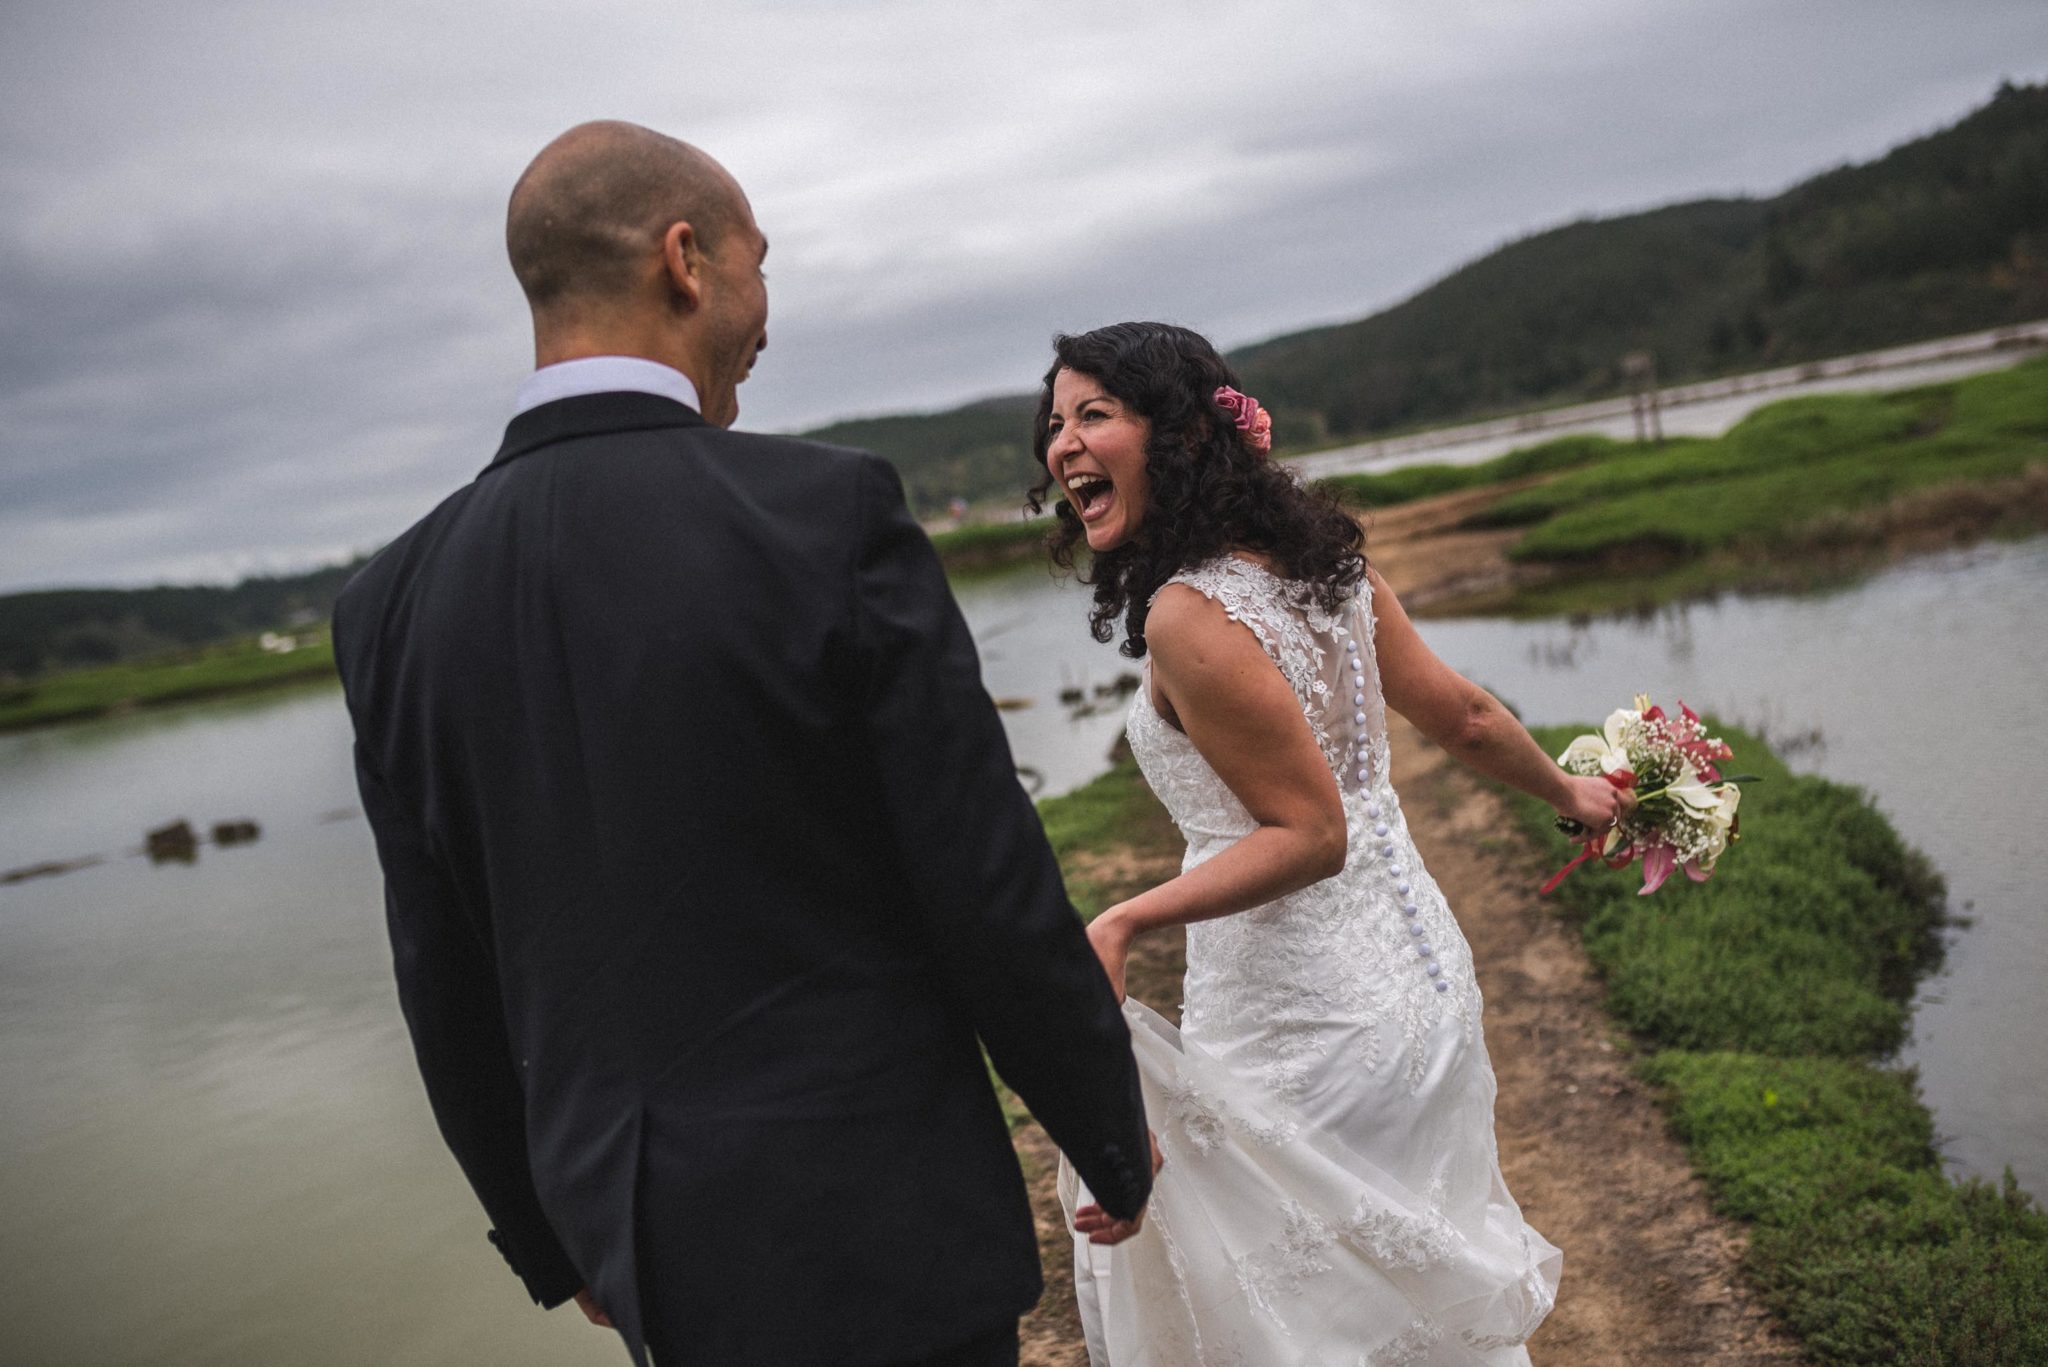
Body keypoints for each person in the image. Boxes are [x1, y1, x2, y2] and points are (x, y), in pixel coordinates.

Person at [331, 122, 1155, 1367]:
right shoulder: (826, 514)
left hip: (645, 1241)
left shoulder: (387, 604)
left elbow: (440, 976)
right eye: (759, 264)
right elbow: (981, 879)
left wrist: (552, 1237)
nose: (767, 313)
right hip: (878, 1213)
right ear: (685, 260)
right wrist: (1104, 1124)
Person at [1028, 322, 1633, 1365]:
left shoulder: (1187, 612)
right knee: (1399, 1293)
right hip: (1420, 986)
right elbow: (1465, 717)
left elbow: (1311, 833)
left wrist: (1125, 915)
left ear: (1176, 434)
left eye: (1092, 414)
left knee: (1301, 1314)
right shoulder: (1324, 565)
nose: (1062, 444)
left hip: (1303, 1020)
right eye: (1053, 424)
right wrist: (1566, 788)